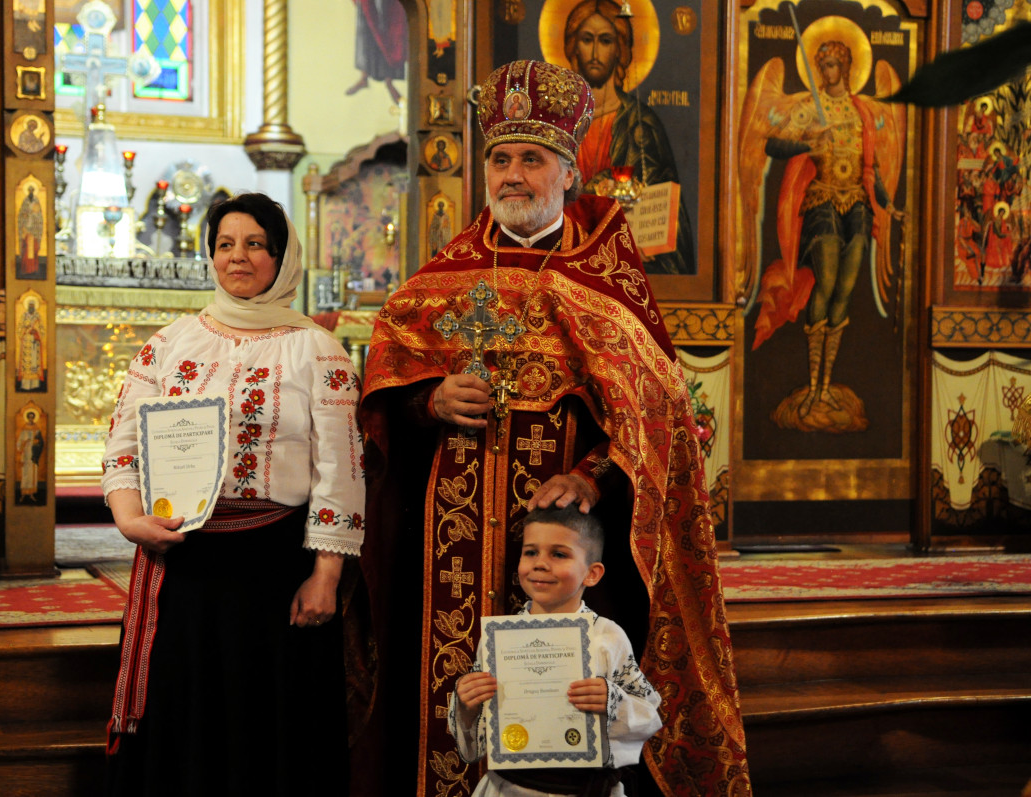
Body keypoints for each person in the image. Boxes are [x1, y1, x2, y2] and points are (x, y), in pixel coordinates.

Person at [353, 59, 750, 797]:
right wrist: (429, 401)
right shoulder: (438, 281)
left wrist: (592, 473)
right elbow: (383, 397)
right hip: (450, 547)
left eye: (532, 159)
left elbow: (656, 422)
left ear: (568, 171)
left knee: (569, 709)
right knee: (451, 694)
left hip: (567, 543)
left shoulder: (607, 283)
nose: (512, 175)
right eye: (500, 158)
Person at [101, 192, 365, 796]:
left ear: (282, 256)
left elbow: (341, 469)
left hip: (273, 567)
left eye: (254, 244)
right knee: (185, 716)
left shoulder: (317, 350)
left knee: (263, 725)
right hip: (183, 563)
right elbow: (123, 444)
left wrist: (326, 576)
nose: (237, 257)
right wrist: (130, 518)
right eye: (224, 244)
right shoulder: (170, 343)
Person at [449, 505, 663, 797]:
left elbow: (648, 715)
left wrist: (612, 700)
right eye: (530, 552)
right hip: (509, 788)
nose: (540, 564)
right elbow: (476, 741)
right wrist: (468, 704)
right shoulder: (499, 640)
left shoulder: (607, 637)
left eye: (559, 554)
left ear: (592, 573)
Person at [752, 40, 904, 423]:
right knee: (827, 281)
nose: (828, 71)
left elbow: (872, 167)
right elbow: (772, 144)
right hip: (822, 202)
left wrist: (887, 204)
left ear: (847, 67)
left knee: (846, 290)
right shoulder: (810, 108)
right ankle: (813, 388)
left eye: (834, 64)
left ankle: (825, 386)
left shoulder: (861, 112)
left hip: (858, 205)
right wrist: (808, 140)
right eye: (824, 65)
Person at [563, 0, 695, 275]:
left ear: (620, 49)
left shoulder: (641, 124)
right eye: (587, 40)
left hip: (622, 264)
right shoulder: (558, 122)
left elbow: (665, 214)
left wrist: (649, 239)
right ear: (574, 46)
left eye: (606, 41)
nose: (595, 52)